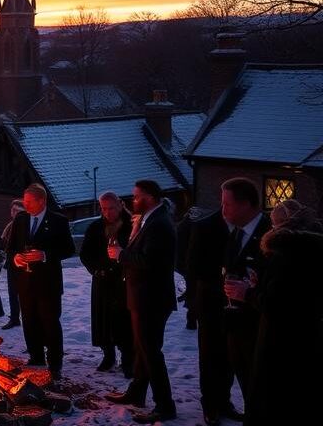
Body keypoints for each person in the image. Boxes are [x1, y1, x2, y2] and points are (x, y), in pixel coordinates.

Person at [245, 200, 323, 426]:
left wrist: (249, 293)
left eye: (272, 224)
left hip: (279, 342)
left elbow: (275, 303)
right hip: (309, 337)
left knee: (273, 402)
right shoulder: (315, 249)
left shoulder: (285, 253)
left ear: (280, 226)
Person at [106, 180, 177, 423]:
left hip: (152, 299)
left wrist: (121, 255)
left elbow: (150, 261)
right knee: (142, 349)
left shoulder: (159, 224)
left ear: (149, 197)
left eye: (136, 196)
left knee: (151, 352)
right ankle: (137, 391)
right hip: (142, 296)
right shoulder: (149, 219)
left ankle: (165, 405)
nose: (133, 200)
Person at [215, 178, 271, 424]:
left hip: (258, 329)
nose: (222, 210)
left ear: (246, 204)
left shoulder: (269, 238)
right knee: (245, 383)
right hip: (235, 325)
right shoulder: (236, 232)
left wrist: (247, 293)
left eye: (227, 204)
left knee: (260, 392)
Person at [5, 183, 75, 379]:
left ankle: (55, 363)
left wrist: (45, 255)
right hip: (25, 281)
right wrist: (16, 258)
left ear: (42, 201)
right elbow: (11, 247)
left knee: (50, 323)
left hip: (48, 283)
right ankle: (36, 357)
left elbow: (68, 249)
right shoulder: (21, 219)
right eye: (24, 201)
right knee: (29, 321)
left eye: (29, 202)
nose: (25, 205)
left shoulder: (58, 221)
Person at [184, 204, 239, 425]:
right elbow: (191, 265)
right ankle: (210, 403)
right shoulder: (205, 227)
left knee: (229, 354)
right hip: (210, 301)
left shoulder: (246, 226)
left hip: (237, 303)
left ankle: (224, 400)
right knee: (209, 354)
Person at [79, 191, 133, 375]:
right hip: (102, 280)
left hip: (123, 281)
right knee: (103, 319)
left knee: (124, 320)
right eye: (104, 209)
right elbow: (85, 253)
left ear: (119, 205)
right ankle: (108, 354)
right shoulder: (96, 227)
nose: (107, 212)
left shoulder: (131, 225)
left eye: (111, 208)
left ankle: (128, 358)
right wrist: (96, 269)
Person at [0, 200, 23, 330]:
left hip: (22, 264)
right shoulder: (10, 225)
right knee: (12, 292)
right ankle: (14, 318)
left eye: (17, 211)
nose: (14, 213)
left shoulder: (24, 225)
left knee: (22, 293)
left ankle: (20, 317)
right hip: (11, 264)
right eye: (13, 210)